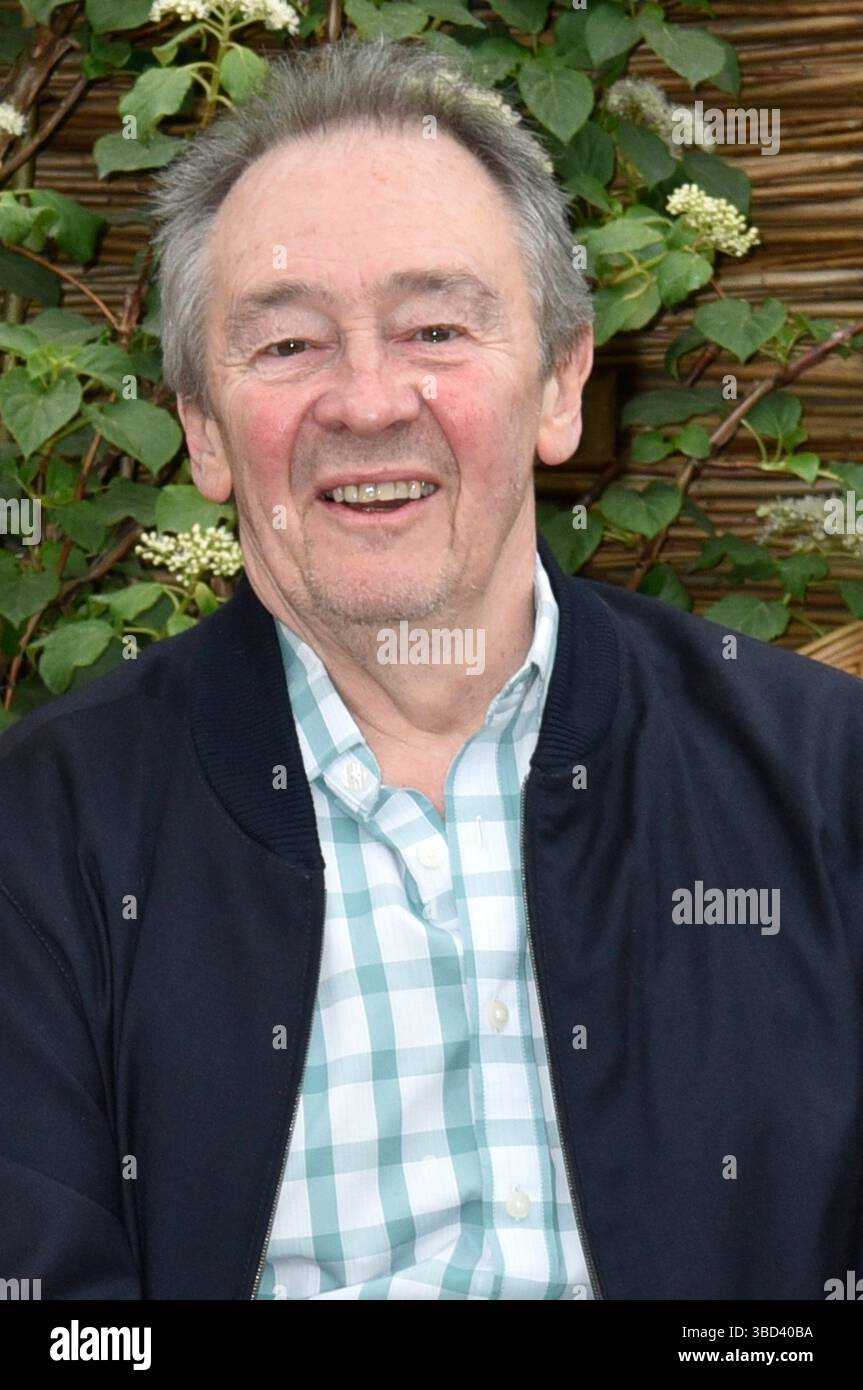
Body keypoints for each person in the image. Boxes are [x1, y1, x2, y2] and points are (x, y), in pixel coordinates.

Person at [1, 37, 861, 1302]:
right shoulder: (41, 834)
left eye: (436, 327)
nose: (366, 399)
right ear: (202, 430)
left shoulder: (823, 776)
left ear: (560, 384)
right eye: (286, 346)